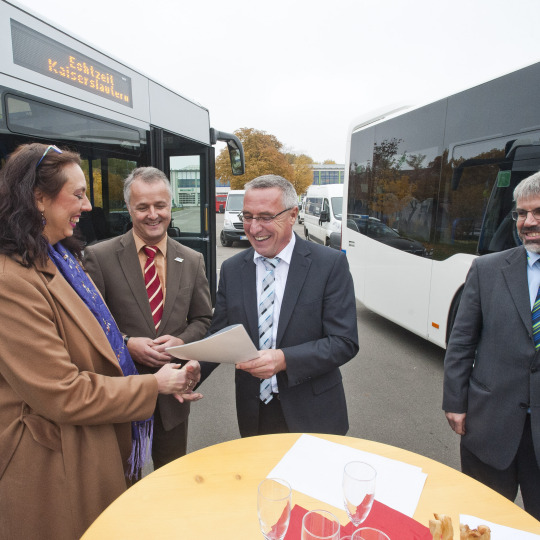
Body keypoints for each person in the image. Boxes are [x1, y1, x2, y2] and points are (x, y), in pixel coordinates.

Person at [0, 143, 201, 540]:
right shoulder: (12, 281)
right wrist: (155, 383)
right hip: (54, 461)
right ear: (37, 198)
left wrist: (143, 350)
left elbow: (93, 337)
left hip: (94, 437)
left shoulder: (60, 259)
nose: (89, 206)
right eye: (78, 194)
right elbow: (62, 392)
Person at [199, 174, 359, 437]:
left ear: (293, 215)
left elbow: (344, 342)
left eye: (265, 217)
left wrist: (284, 360)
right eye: (248, 216)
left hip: (314, 413)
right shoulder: (232, 269)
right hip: (255, 412)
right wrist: (194, 368)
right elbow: (220, 332)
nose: (253, 227)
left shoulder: (329, 265)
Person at [84, 166, 212, 469]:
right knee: (123, 484)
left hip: (173, 401)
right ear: (129, 208)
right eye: (142, 207)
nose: (152, 214)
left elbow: (203, 320)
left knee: (171, 481)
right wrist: (126, 343)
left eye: (160, 205)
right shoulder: (98, 257)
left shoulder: (192, 260)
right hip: (121, 397)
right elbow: (87, 325)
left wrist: (182, 341)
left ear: (170, 206)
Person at [443, 170, 540, 520]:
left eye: (538, 212)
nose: (528, 222)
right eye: (521, 213)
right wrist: (454, 401)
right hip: (490, 426)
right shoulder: (487, 269)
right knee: (480, 520)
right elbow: (461, 341)